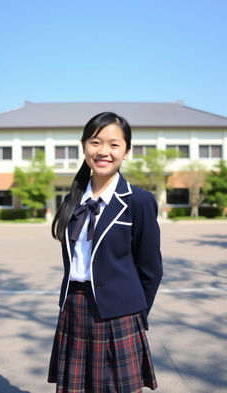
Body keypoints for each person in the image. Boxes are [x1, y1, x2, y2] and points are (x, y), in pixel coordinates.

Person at [48, 112, 163, 392]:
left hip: (119, 312)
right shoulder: (72, 199)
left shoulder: (139, 201)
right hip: (74, 307)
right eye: (95, 142)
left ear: (126, 152)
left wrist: (133, 311)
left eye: (114, 145)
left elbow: (151, 269)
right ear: (84, 145)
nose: (103, 152)